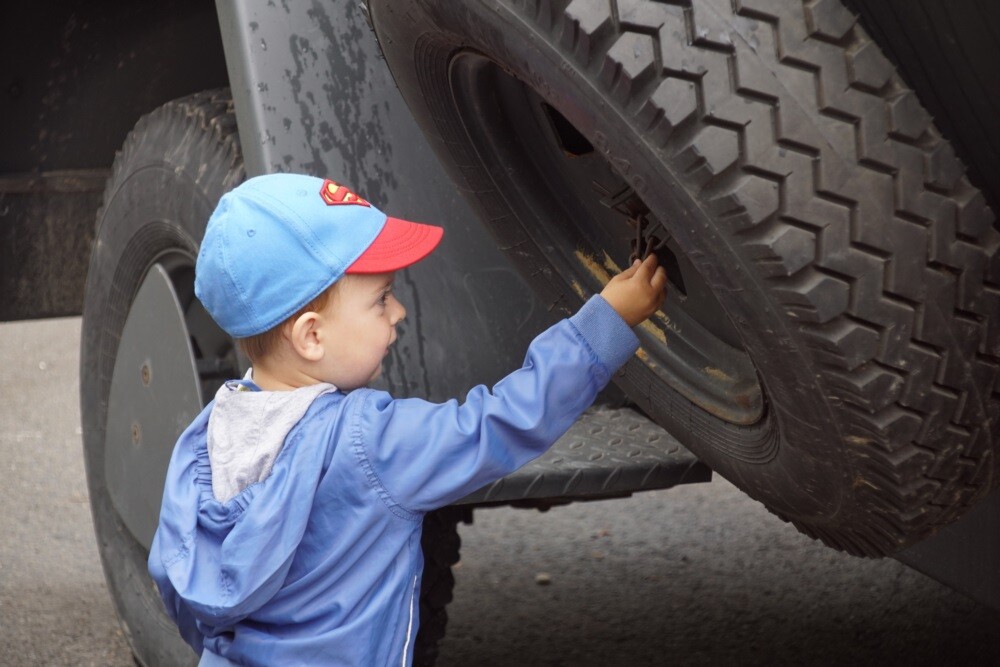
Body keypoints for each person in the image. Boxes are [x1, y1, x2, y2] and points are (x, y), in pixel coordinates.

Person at [149, 173, 667, 666]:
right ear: (311, 337)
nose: (399, 312)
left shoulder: (204, 439)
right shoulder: (369, 442)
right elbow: (499, 423)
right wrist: (606, 322)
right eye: (381, 299)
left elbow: (177, 581)